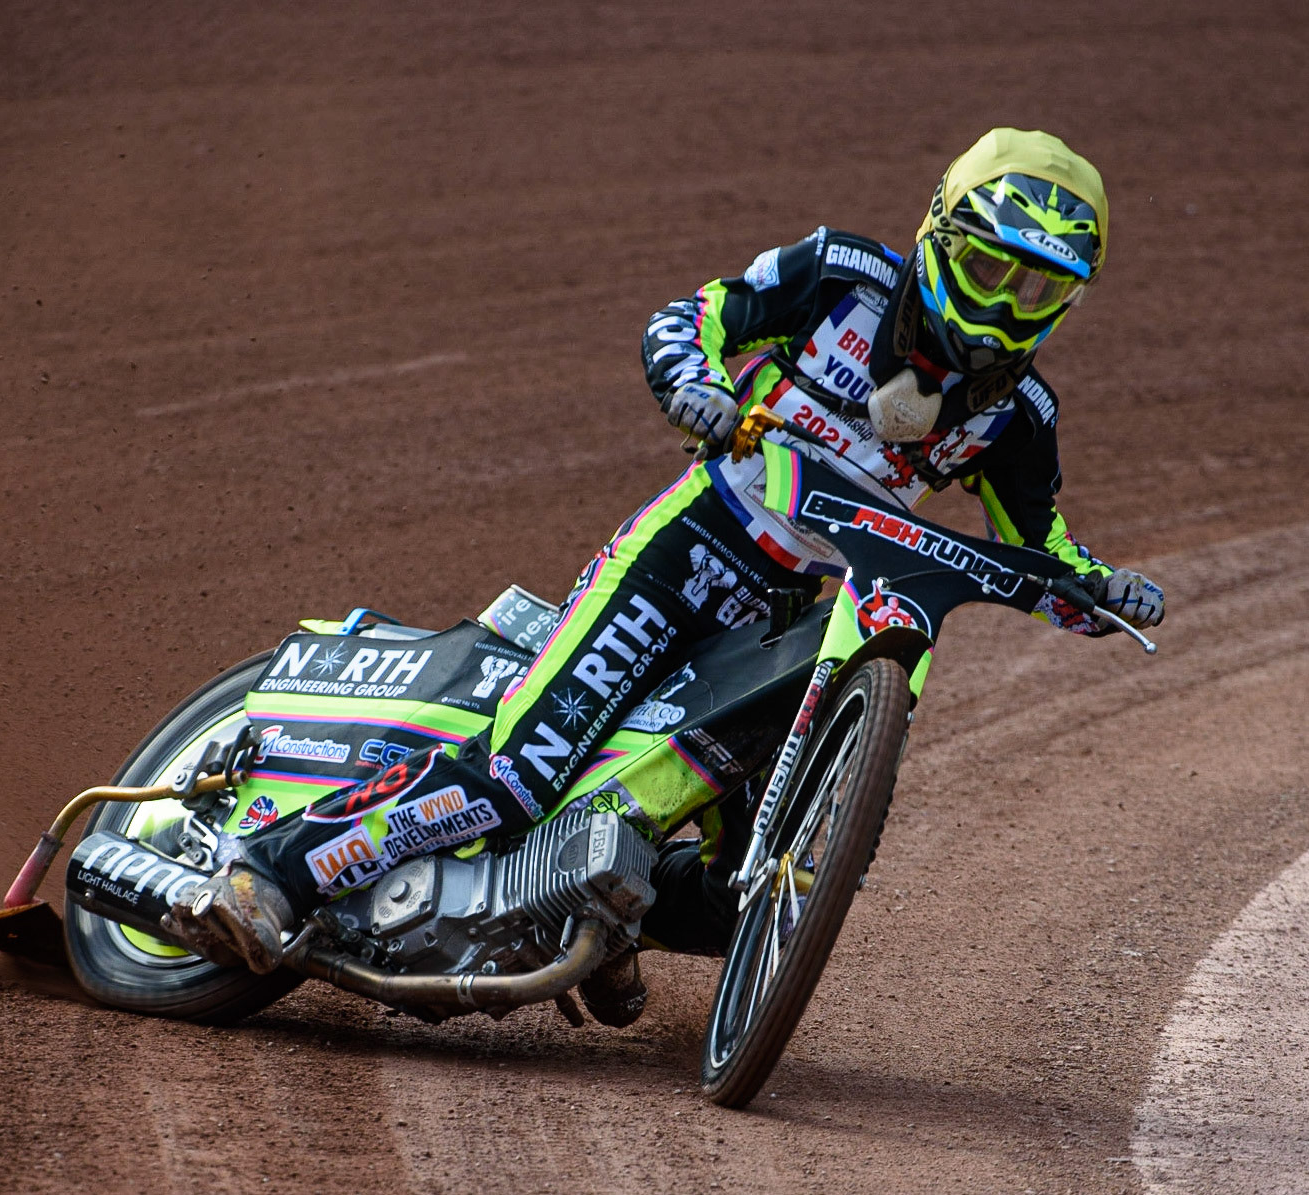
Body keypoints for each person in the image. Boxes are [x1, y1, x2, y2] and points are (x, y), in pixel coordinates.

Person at [169, 127, 1165, 1026]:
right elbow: (692, 318)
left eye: (1033, 290)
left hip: (791, 617)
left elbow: (1040, 547)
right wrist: (692, 382)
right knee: (520, 771)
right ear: (941, 235)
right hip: (686, 548)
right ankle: (276, 873)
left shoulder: (1017, 416)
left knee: (754, 881)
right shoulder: (841, 274)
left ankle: (591, 915)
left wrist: (1098, 591)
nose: (1000, 311)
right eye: (988, 270)